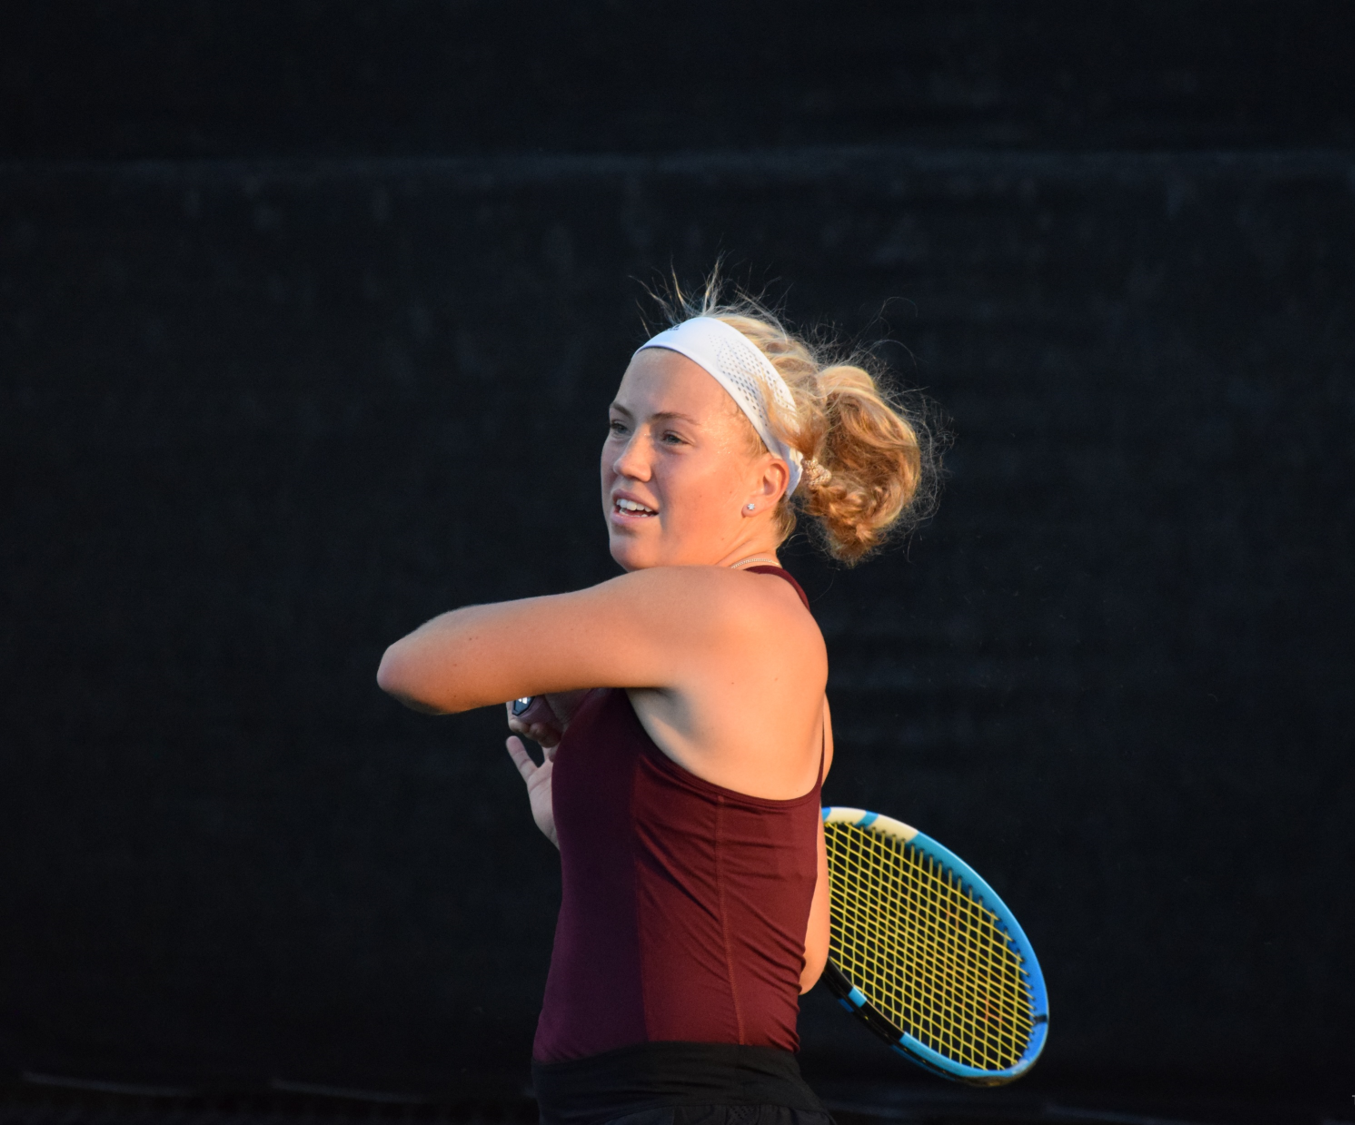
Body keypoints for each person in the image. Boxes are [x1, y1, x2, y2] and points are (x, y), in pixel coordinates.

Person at [376, 279, 936, 1124]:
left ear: (765, 483)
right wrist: (590, 818)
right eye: (618, 424)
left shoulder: (706, 608)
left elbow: (411, 666)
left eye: (672, 436)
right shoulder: (768, 642)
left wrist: (558, 666)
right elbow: (804, 953)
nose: (628, 459)